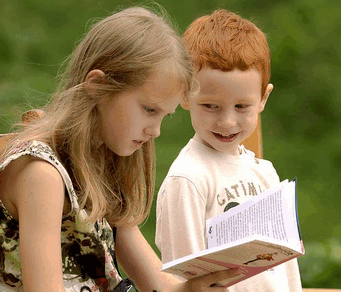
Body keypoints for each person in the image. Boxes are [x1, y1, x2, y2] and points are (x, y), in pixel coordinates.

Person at [0, 6, 243, 292]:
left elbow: (157, 283)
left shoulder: (99, 161)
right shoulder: (42, 174)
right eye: (149, 109)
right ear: (98, 86)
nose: (156, 130)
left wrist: (191, 288)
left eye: (164, 115)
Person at [155, 9, 303, 292]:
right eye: (211, 106)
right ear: (185, 95)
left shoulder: (265, 173)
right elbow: (183, 278)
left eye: (241, 106)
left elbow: (286, 269)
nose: (226, 122)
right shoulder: (187, 180)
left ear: (263, 98)